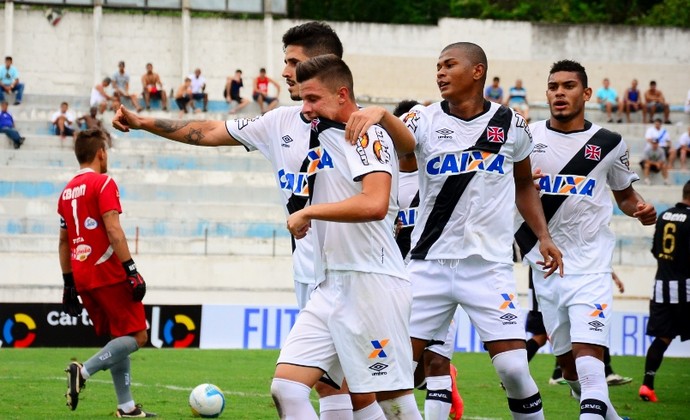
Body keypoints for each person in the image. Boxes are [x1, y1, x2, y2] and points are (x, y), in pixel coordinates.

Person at [113, 22, 374, 419]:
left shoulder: (362, 128)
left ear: (327, 65)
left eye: (293, 62)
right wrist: (144, 122)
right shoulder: (279, 122)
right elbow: (210, 130)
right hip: (311, 273)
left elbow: (389, 189)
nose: (285, 71)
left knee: (364, 390)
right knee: (324, 384)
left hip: (359, 274)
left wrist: (384, 117)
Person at [346, 42, 564, 420]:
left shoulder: (511, 124)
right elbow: (405, 144)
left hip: (488, 267)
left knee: (514, 368)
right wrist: (381, 114)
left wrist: (544, 236)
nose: (440, 73)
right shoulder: (423, 119)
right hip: (427, 265)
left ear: (477, 71)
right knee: (392, 372)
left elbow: (525, 183)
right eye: (437, 66)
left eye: (449, 65)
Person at [279, 53, 420, 420]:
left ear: (342, 94)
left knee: (394, 404)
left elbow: (374, 203)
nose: (305, 108)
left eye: (313, 99)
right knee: (288, 388)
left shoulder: (367, 133)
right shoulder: (322, 133)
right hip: (332, 284)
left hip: (374, 283)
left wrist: (309, 211)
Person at [516, 59, 656, 420]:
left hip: (592, 266)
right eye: (553, 87)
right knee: (568, 368)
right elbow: (503, 192)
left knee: (590, 362)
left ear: (587, 93)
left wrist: (640, 209)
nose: (559, 93)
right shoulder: (526, 138)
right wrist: (517, 185)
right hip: (545, 268)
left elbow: (625, 196)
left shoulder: (609, 142)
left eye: (568, 86)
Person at [57, 128, 153, 418]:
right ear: (101, 153)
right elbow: (113, 229)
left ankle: (126, 407)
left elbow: (63, 242)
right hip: (108, 270)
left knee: (118, 336)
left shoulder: (65, 192)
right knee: (137, 336)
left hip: (82, 274)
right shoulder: (103, 183)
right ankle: (82, 372)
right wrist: (131, 269)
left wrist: (68, 283)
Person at [392, 99, 464, 420]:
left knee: (437, 361)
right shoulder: (383, 177)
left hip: (434, 273)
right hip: (393, 280)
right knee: (403, 365)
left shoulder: (440, 176)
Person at [525, 269, 633, 387]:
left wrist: (613, 275)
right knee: (544, 335)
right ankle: (518, 370)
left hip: (563, 281)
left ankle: (560, 373)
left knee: (577, 327)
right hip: (549, 284)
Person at [639, 180, 690, 403]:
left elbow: (655, 250)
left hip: (661, 287)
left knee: (663, 337)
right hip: (686, 288)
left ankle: (647, 386)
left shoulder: (664, 215)